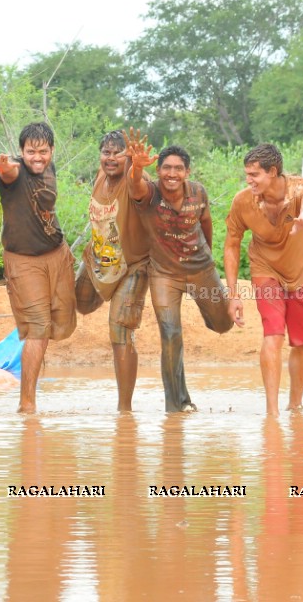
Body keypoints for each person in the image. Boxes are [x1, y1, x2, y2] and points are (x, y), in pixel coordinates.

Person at [124, 130, 234, 413]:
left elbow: (206, 224)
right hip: (164, 274)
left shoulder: (198, 192)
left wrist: (208, 262)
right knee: (171, 333)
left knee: (224, 324)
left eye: (178, 169)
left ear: (187, 172)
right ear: (158, 171)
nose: (172, 174)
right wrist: (137, 168)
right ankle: (177, 404)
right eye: (167, 168)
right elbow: (135, 186)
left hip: (201, 270)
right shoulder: (149, 193)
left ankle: (213, 313)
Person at [224, 143, 303, 416]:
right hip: (265, 268)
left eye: (254, 174)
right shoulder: (243, 201)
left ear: (272, 171)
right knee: (273, 334)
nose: (248, 180)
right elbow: (232, 244)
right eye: (246, 174)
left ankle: (295, 403)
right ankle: (272, 413)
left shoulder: (301, 187)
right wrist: (233, 294)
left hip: (302, 270)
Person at [0, 122, 77, 414]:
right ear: (21, 152)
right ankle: (27, 404)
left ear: (52, 150)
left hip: (56, 252)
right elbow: (10, 172)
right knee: (37, 331)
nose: (37, 158)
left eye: (43, 151)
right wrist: (5, 168)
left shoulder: (48, 168)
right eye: (30, 152)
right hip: (24, 261)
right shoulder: (15, 171)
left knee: (61, 326)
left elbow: (45, 212)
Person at [74, 130, 150, 411]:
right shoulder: (100, 176)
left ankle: (124, 410)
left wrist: (138, 166)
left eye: (118, 153)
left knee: (119, 329)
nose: (110, 158)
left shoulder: (135, 180)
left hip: (133, 266)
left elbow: (138, 184)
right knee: (77, 304)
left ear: (128, 157)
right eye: (106, 152)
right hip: (99, 260)